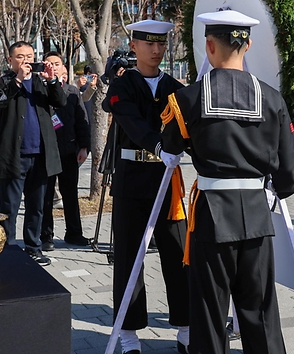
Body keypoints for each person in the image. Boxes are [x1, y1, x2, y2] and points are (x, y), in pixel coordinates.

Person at [160, 10, 294, 354]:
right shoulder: (272, 98)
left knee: (208, 311)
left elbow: (170, 145)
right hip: (256, 216)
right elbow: (287, 174)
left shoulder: (187, 99)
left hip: (211, 217)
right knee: (260, 311)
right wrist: (274, 190)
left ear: (209, 46)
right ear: (248, 45)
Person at [103, 20, 189, 354]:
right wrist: (158, 145)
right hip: (131, 178)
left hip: (169, 183)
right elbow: (130, 121)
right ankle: (128, 333)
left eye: (161, 44)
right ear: (134, 46)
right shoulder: (123, 85)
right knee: (128, 257)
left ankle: (185, 327)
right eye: (148, 44)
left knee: (178, 253)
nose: (156, 50)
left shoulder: (176, 87)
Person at [0, 41, 66, 266]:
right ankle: (7, 249)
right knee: (9, 207)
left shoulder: (42, 80)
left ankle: (34, 247)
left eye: (30, 56)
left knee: (36, 206)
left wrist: (52, 80)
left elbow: (60, 101)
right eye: (20, 57)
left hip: (40, 154)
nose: (26, 61)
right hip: (13, 155)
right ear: (10, 60)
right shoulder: (4, 81)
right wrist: (19, 79)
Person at [40, 51, 91, 250]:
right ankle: (46, 236)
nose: (54, 66)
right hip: (45, 151)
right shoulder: (39, 90)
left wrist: (84, 147)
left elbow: (82, 120)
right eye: (50, 63)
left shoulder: (72, 91)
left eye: (57, 63)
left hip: (69, 150)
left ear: (63, 68)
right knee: (46, 197)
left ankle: (74, 233)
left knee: (70, 194)